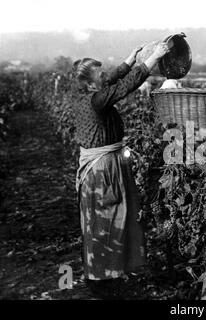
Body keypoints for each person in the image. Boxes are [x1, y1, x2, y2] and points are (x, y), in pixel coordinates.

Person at [72, 41, 169, 297]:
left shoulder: (87, 94)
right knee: (109, 218)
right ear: (90, 83)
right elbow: (125, 86)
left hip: (104, 165)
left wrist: (130, 59)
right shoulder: (95, 101)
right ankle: (104, 279)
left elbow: (113, 77)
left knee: (109, 218)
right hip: (103, 170)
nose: (105, 76)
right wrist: (153, 59)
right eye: (100, 75)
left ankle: (106, 274)